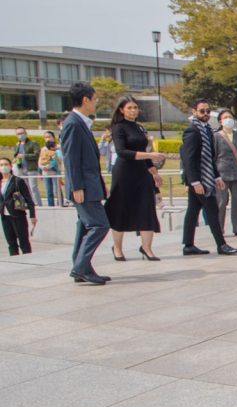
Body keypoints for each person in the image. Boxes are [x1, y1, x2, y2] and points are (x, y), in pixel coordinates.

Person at [104, 96, 166, 261]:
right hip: (124, 173)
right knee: (121, 209)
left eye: (135, 107)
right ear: (121, 110)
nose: (133, 110)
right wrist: (150, 155)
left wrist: (154, 173)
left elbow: (143, 152)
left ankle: (147, 248)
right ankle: (117, 248)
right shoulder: (118, 127)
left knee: (146, 208)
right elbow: (122, 152)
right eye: (129, 108)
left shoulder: (139, 127)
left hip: (141, 173)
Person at [60, 82, 110, 285]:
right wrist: (77, 187)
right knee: (100, 225)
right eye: (95, 99)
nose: (96, 102)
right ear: (85, 100)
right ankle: (80, 268)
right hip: (84, 187)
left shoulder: (80, 123)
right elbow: (71, 159)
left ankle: (82, 267)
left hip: (90, 185)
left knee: (84, 226)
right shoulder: (73, 124)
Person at [180, 99, 237, 257]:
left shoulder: (207, 130)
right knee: (212, 210)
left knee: (193, 211)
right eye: (202, 111)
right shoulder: (192, 131)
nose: (206, 114)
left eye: (208, 111)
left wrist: (217, 176)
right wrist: (194, 181)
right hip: (199, 179)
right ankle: (221, 244)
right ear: (194, 112)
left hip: (206, 176)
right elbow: (188, 159)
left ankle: (188, 245)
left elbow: (209, 157)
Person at [213, 110, 237, 237]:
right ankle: (218, 229)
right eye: (225, 117)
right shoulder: (216, 136)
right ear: (220, 121)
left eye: (230, 117)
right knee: (221, 202)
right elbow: (213, 157)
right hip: (221, 173)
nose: (228, 119)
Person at [0, 156, 36, 255]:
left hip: (18, 215)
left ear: (11, 166)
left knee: (24, 242)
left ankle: (28, 260)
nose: (3, 167)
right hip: (5, 217)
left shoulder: (18, 181)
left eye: (6, 164)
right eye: (1, 165)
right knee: (11, 243)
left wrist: (32, 215)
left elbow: (29, 199)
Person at [13, 126, 41, 206]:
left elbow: (36, 155)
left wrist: (24, 156)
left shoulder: (33, 143)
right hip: (21, 168)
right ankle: (29, 203)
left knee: (33, 187)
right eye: (18, 134)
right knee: (25, 188)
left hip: (31, 168)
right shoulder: (18, 145)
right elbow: (16, 155)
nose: (20, 135)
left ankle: (37, 203)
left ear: (25, 133)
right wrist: (15, 159)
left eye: (22, 133)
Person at [38, 131, 64, 207]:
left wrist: (49, 165)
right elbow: (40, 160)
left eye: (49, 137)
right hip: (46, 173)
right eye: (46, 137)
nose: (48, 138)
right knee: (49, 191)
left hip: (55, 172)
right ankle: (51, 205)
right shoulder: (43, 149)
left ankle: (60, 204)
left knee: (57, 190)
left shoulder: (58, 148)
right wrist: (42, 168)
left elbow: (59, 159)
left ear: (53, 137)